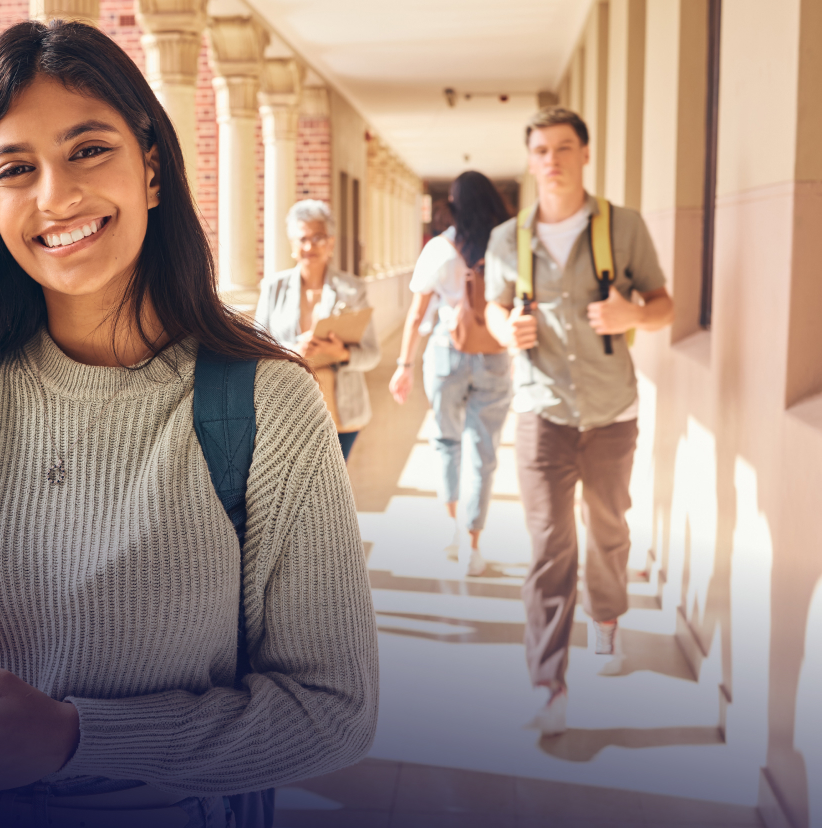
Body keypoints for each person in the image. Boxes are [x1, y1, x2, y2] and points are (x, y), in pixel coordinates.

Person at [0, 20, 378, 826]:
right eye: (15, 169)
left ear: (151, 169)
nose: (56, 197)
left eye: (88, 150)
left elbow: (334, 709)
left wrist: (81, 738)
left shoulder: (264, 406)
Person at [484, 107, 674, 735]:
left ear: (585, 155)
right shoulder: (509, 239)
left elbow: (664, 303)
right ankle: (549, 684)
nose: (553, 161)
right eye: (541, 150)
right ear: (531, 160)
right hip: (543, 412)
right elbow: (493, 306)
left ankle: (609, 617)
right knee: (550, 546)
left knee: (609, 527)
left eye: (564, 148)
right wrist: (503, 328)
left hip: (612, 411)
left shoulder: (623, 227)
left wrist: (633, 317)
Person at [388, 171, 512, 578]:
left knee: (446, 441)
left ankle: (452, 528)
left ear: (454, 205)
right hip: (494, 354)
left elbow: (416, 315)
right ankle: (472, 545)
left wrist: (404, 365)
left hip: (445, 354)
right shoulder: (504, 246)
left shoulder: (439, 249)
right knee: (484, 451)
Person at [255, 200, 380, 462]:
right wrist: (292, 351)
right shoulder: (273, 288)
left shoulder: (353, 289)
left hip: (341, 408)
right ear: (292, 244)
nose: (310, 246)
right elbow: (256, 348)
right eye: (302, 239)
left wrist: (341, 353)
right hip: (287, 408)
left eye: (318, 238)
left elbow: (372, 355)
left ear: (331, 243)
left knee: (334, 488)